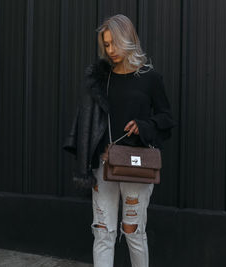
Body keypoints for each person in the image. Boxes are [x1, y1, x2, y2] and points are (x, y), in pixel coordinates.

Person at [63, 14, 175, 267]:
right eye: (106, 44)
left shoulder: (149, 78)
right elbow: (89, 121)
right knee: (103, 231)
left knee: (134, 231)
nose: (110, 50)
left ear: (129, 39)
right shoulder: (101, 80)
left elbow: (167, 118)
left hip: (137, 165)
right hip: (103, 165)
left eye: (115, 43)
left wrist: (144, 125)